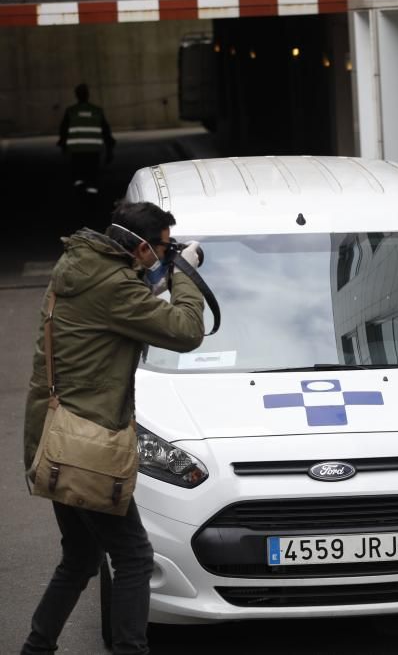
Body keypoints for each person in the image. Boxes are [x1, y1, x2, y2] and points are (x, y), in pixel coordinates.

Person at [21, 202, 206, 655]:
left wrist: (164, 268)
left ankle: (37, 646)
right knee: (134, 556)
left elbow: (129, 297)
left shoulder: (81, 265)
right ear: (142, 247)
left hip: (55, 436)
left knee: (81, 556)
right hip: (89, 446)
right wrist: (183, 273)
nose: (166, 254)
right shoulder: (114, 288)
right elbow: (185, 330)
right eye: (163, 248)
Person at [58, 83, 115, 196]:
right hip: (93, 150)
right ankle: (92, 196)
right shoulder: (97, 111)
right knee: (92, 175)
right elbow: (106, 131)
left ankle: (80, 190)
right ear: (87, 95)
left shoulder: (71, 111)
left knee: (78, 174)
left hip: (76, 150)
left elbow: (63, 130)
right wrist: (110, 149)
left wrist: (63, 145)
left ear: (76, 95)